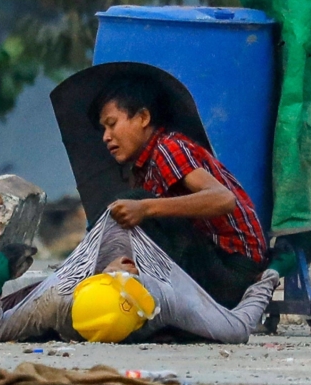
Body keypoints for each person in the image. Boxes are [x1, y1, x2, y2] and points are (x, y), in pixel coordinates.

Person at [86, 75, 278, 308]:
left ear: (143, 117)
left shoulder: (167, 149)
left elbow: (224, 199)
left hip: (233, 270)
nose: (106, 137)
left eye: (112, 123)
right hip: (213, 265)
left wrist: (145, 208)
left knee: (134, 201)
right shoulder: (143, 171)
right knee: (124, 214)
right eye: (103, 129)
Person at [0, 213, 279, 344]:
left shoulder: (156, 297)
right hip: (137, 253)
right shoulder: (159, 299)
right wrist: (270, 277)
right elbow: (237, 328)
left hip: (155, 237)